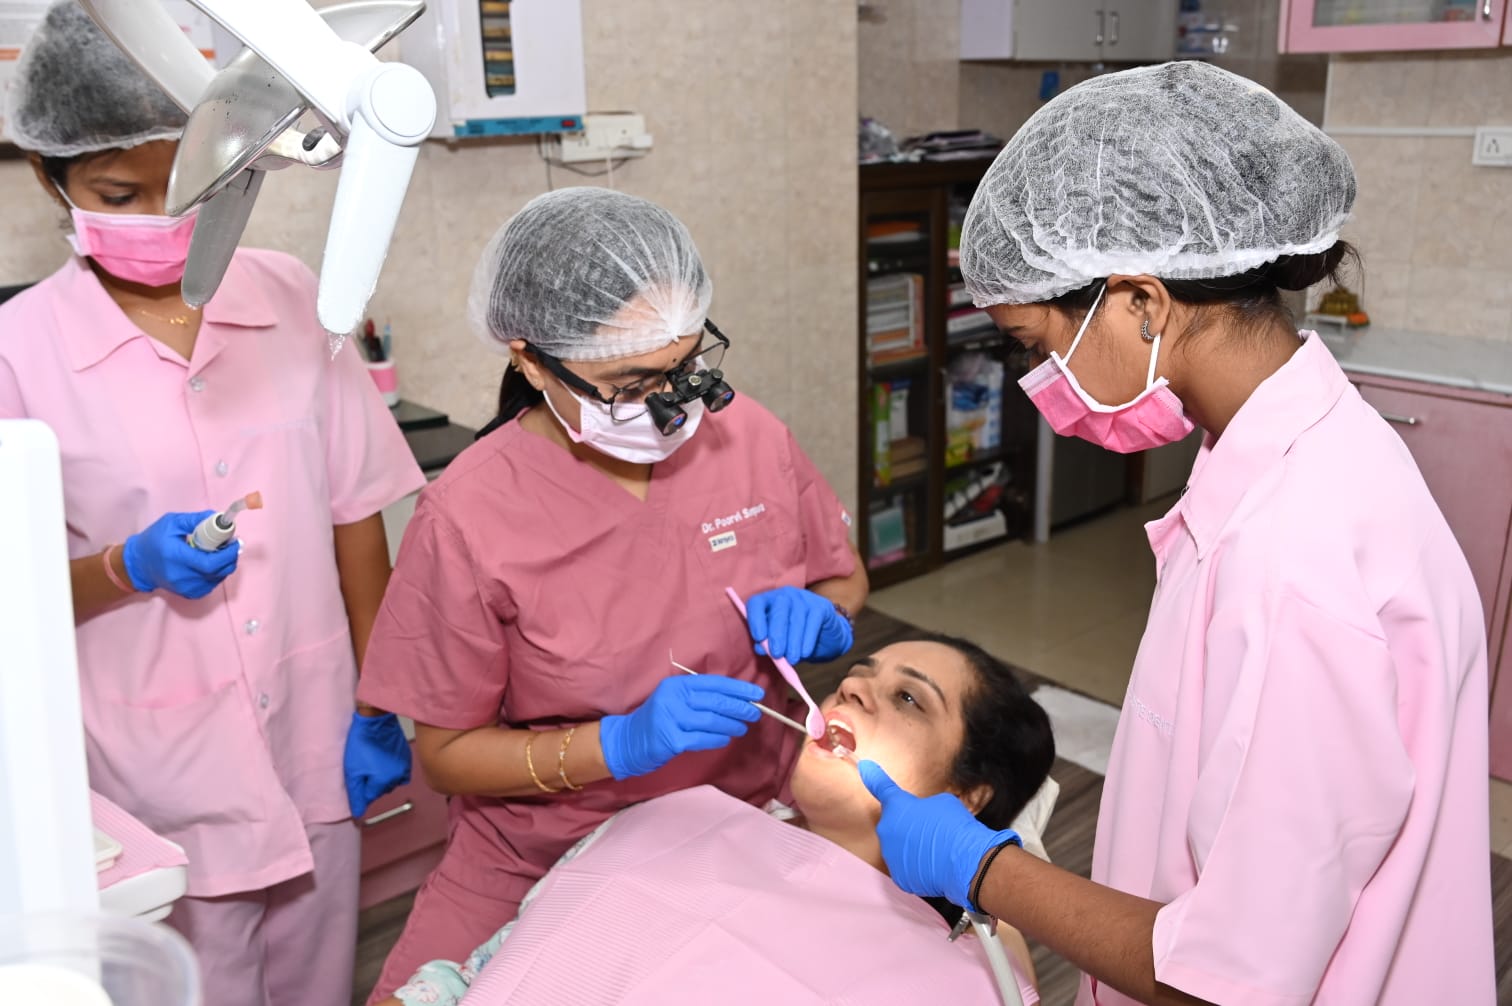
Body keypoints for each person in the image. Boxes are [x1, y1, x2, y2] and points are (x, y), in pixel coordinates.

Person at [859, 60, 1495, 1006]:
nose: (1039, 384)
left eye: (1037, 346)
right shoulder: (1282, 454)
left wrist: (984, 868)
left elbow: (1223, 979)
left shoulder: (1297, 556)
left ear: (1142, 303)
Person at [0, 6, 425, 1004]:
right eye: (120, 192)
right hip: (151, 771)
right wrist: (125, 567)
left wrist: (379, 702)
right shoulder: (19, 351)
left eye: (192, 179)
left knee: (320, 981)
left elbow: (355, 519)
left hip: (314, 737)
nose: (163, 214)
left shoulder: (292, 297)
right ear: (50, 178)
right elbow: (13, 599)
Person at [356, 186, 869, 1002]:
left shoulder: (748, 434)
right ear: (531, 361)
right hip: (538, 855)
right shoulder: (467, 516)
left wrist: (828, 615)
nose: (670, 405)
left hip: (743, 823)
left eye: (687, 368)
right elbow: (447, 756)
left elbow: (842, 574)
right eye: (631, 384)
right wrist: (616, 746)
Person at [375, 635, 1056, 1006]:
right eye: (859, 674)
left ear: (968, 797)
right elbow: (487, 969)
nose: (851, 687)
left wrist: (997, 922)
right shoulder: (672, 819)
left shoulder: (969, 967)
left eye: (908, 699)